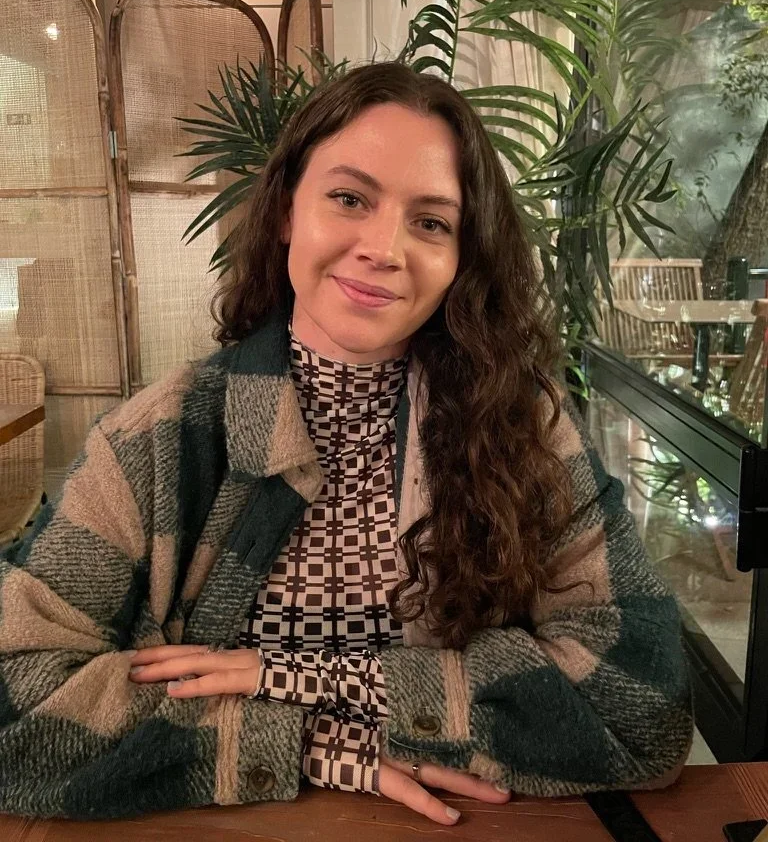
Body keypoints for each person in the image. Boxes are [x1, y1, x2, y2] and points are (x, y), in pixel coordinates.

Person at [0, 62, 692, 824]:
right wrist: (310, 745)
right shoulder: (157, 440)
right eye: (350, 199)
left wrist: (300, 677)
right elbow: (13, 696)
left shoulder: (523, 428)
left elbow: (643, 707)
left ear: (461, 258)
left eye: (431, 222)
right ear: (287, 210)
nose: (384, 248)